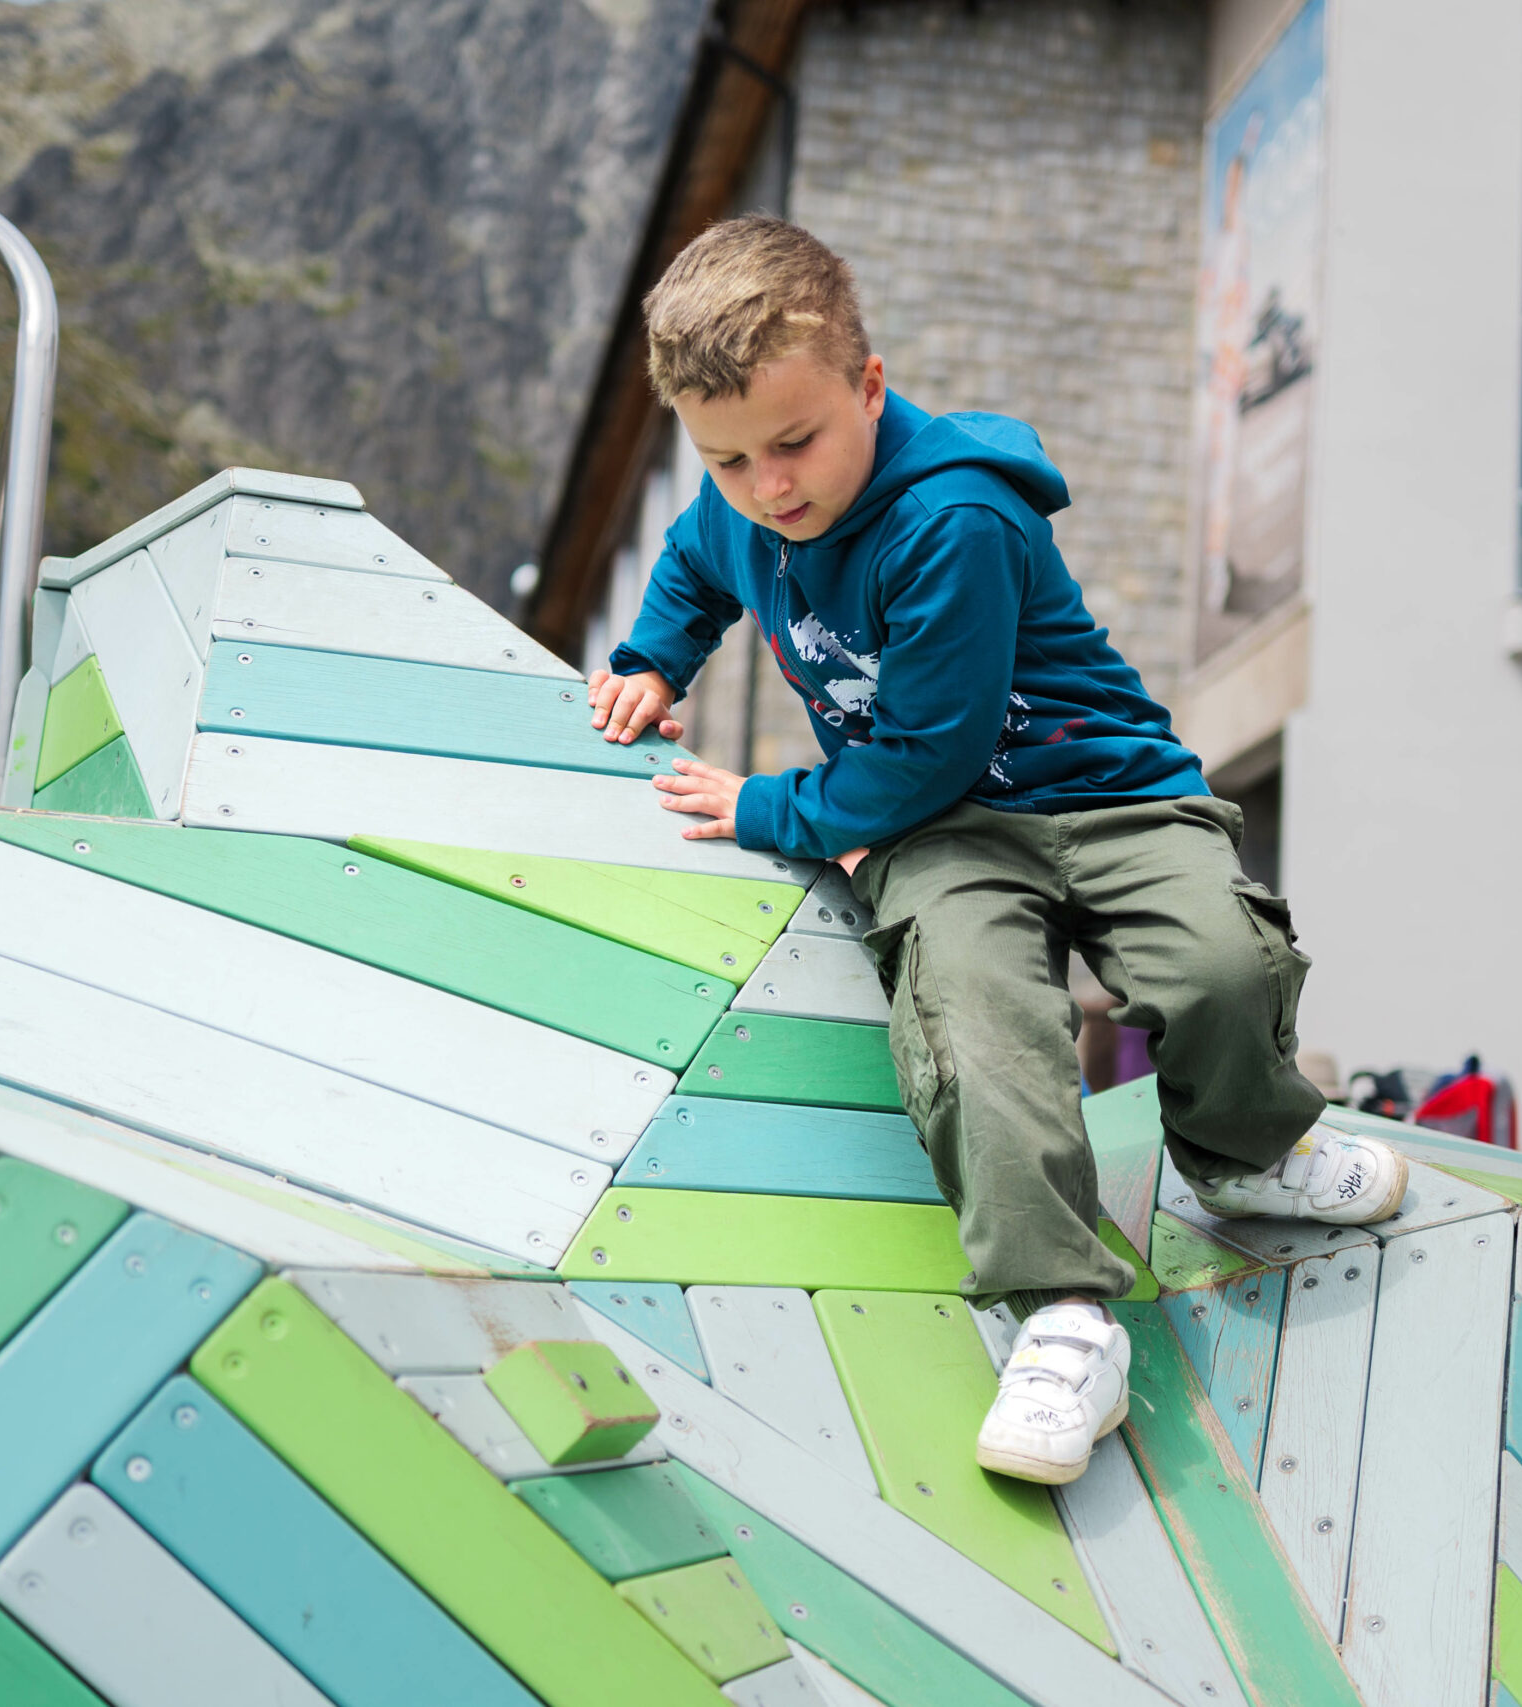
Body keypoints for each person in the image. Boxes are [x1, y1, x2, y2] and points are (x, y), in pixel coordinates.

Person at [587, 216, 1405, 1486]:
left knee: (1218, 969)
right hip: (942, 835)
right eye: (727, 457)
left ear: (869, 386)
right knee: (975, 1022)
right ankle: (1063, 1318)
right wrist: (653, 657)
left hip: (1100, 792)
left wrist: (767, 809)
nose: (767, 487)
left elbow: (926, 750)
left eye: (794, 443)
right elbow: (697, 561)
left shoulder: (951, 519)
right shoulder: (738, 504)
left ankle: (1245, 1152)